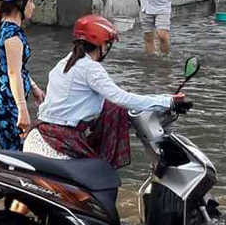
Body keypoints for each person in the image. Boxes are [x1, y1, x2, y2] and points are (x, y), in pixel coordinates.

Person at [22, 15, 188, 165]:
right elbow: (122, 98)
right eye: (108, 45)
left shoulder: (65, 63)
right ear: (102, 45)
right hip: (60, 142)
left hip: (41, 134)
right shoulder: (90, 68)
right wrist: (168, 101)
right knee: (103, 179)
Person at [0, 0, 45, 151]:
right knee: (21, 151)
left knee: (16, 149)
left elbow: (11, 66)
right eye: (31, 1)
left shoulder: (3, 28)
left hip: (0, 101)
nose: (33, 6)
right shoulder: (13, 35)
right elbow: (13, 73)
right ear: (20, 3)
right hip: (7, 103)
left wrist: (32, 87)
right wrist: (22, 109)